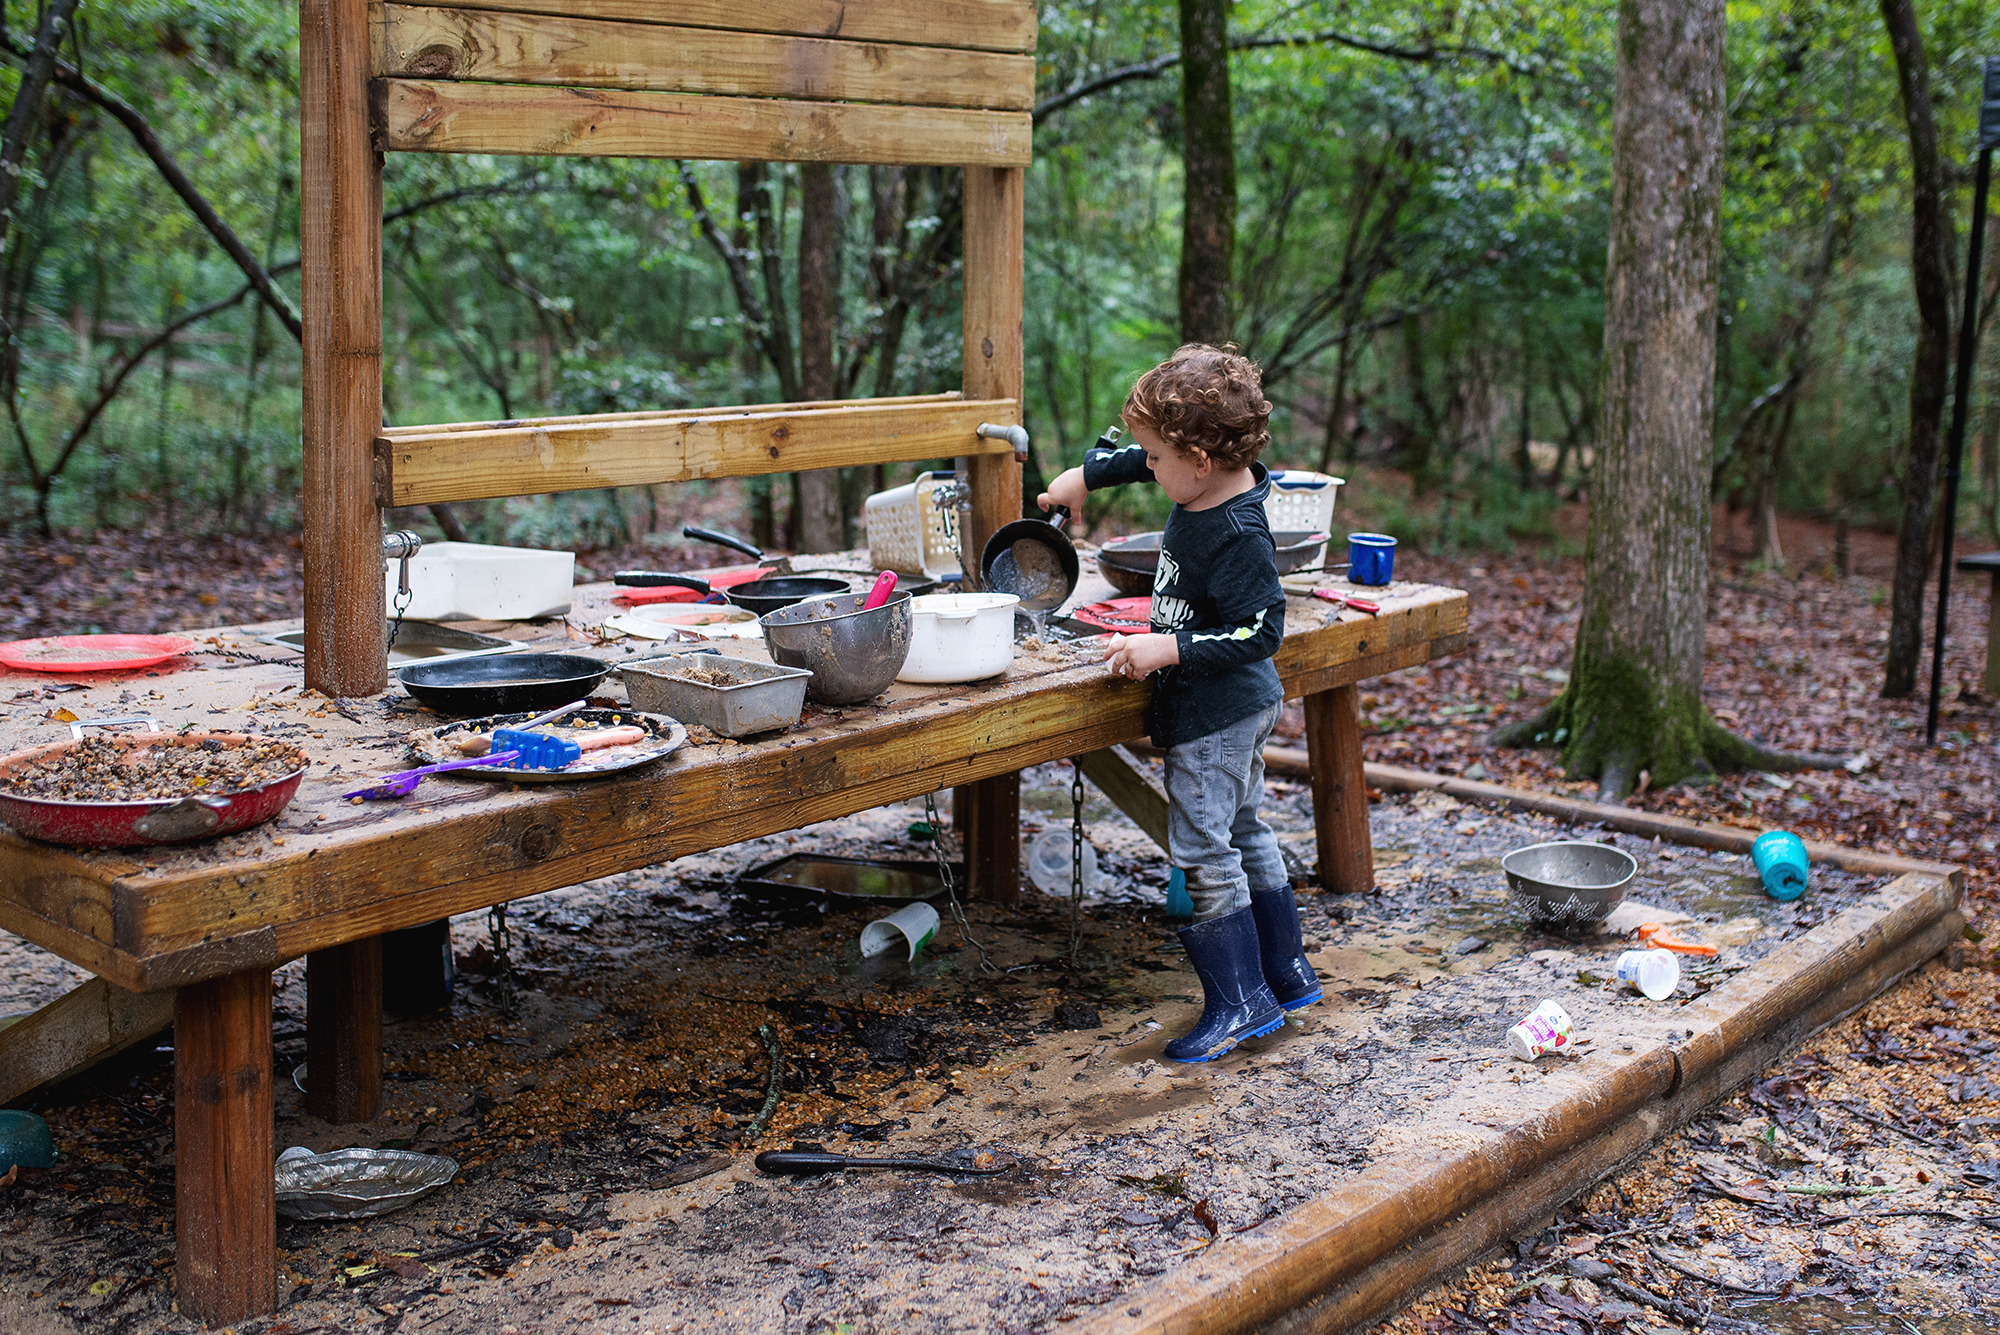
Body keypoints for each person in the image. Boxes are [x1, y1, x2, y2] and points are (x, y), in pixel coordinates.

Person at [1038, 344, 1321, 1063]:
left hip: (1217, 712)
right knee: (1246, 827)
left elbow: (1264, 628)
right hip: (1233, 707)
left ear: (1198, 458)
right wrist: (1085, 476)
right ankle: (1285, 973)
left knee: (1202, 846)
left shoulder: (1236, 530)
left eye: (1157, 459)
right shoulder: (1203, 477)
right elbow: (1143, 457)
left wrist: (1170, 647)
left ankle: (1241, 1003)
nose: (1148, 467)